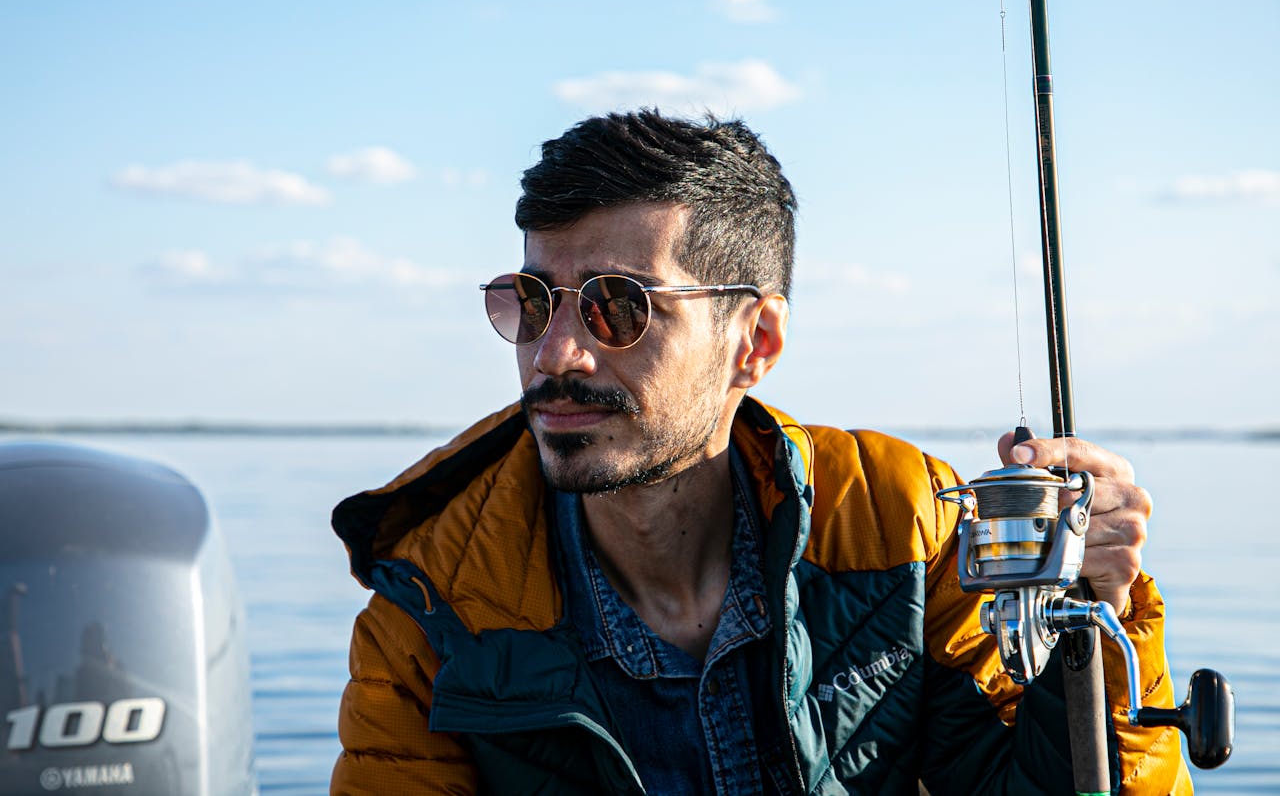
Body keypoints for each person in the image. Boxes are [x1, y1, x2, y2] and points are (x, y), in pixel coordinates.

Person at [330, 110, 1190, 794]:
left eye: (616, 306)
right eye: (532, 300)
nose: (554, 353)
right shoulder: (432, 603)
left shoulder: (902, 522)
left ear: (756, 339)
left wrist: (1100, 623)